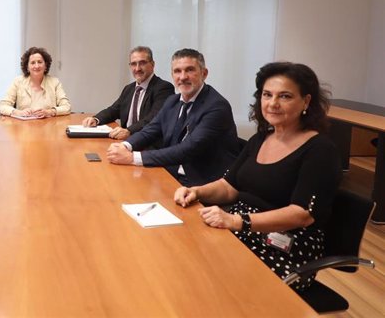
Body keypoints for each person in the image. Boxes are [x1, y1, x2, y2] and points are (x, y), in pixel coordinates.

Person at [173, 62, 341, 291]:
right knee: (181, 258)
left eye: (285, 96)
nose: (273, 103)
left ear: (306, 102)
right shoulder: (260, 139)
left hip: (286, 244)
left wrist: (237, 221)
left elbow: (302, 214)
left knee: (208, 280)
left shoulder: (320, 149)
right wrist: (197, 191)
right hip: (241, 228)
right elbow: (228, 186)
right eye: (267, 95)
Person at [106, 48, 239, 186]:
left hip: (202, 183)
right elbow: (151, 130)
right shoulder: (172, 101)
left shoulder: (216, 106)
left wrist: (132, 157)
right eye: (177, 71)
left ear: (204, 73)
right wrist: (124, 146)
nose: (182, 77)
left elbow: (187, 149)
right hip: (170, 174)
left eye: (189, 70)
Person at [82, 46, 174, 140]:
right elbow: (113, 110)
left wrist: (129, 131)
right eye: (133, 64)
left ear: (152, 64)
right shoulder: (129, 88)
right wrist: (96, 119)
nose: (137, 68)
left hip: (147, 144)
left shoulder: (164, 88)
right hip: (125, 140)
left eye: (142, 63)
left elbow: (153, 119)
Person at [0, 47, 71, 117]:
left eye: (40, 62)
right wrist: (18, 112)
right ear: (27, 67)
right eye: (33, 63)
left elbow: (67, 107)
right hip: (23, 127)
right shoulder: (18, 82)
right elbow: (3, 106)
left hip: (48, 126)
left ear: (45, 66)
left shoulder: (55, 82)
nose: (36, 66)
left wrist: (49, 112)